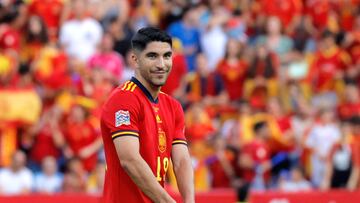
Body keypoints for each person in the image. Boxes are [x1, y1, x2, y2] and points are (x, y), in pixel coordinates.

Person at [101, 27, 194, 203]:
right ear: (135, 60)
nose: (161, 64)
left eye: (167, 56)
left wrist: (190, 201)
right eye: (152, 56)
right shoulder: (123, 99)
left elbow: (181, 160)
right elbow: (130, 160)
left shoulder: (173, 106)